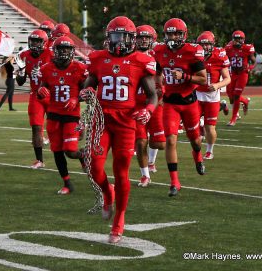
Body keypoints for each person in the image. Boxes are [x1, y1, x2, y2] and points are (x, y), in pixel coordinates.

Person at [80, 16, 157, 244]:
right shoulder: (97, 58)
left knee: (121, 170)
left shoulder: (142, 60)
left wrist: (149, 111)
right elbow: (88, 85)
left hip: (126, 122)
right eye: (116, 36)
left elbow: (152, 94)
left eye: (124, 37)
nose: (120, 41)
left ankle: (119, 221)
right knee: (93, 165)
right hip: (101, 118)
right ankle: (107, 192)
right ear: (108, 38)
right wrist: (85, 93)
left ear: (133, 39)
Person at [153, 18, 207, 197]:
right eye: (170, 33)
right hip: (170, 103)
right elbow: (158, 72)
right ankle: (174, 181)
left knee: (196, 141)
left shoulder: (193, 51)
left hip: (189, 102)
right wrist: (159, 86)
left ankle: (197, 155)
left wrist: (185, 76)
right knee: (170, 140)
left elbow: (203, 79)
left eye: (177, 33)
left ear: (184, 35)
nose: (173, 36)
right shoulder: (159, 50)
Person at [38, 36, 88, 194]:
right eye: (60, 49)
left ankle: (82, 155)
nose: (63, 52)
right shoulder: (46, 69)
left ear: (72, 51)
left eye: (66, 49)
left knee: (70, 151)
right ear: (55, 51)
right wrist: (40, 91)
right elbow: (42, 87)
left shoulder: (79, 68)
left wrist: (76, 98)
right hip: (53, 114)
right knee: (57, 151)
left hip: (71, 116)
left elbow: (88, 91)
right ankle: (67, 183)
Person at [16, 30, 53, 168]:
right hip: (36, 95)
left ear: (44, 43)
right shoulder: (24, 56)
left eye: (37, 41)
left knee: (55, 126)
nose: (34, 44)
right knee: (36, 128)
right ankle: (39, 160)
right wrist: (21, 70)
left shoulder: (51, 54)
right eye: (32, 41)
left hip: (51, 94)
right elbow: (20, 82)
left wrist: (44, 74)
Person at [134, 25, 165, 187]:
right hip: (137, 104)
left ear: (152, 39)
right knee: (140, 142)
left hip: (155, 104)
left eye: (147, 37)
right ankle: (145, 175)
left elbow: (161, 75)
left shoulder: (156, 55)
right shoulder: (130, 56)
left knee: (158, 143)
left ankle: (151, 161)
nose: (143, 40)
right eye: (140, 37)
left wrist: (161, 91)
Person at [196, 31, 231, 160]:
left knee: (210, 127)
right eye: (202, 45)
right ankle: (197, 149)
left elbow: (228, 79)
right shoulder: (194, 56)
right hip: (196, 94)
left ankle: (210, 150)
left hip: (212, 96)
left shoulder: (219, 55)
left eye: (207, 45)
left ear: (213, 45)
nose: (205, 47)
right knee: (193, 125)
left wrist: (217, 85)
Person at [224, 30, 255, 126]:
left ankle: (233, 118)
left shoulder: (247, 48)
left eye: (240, 39)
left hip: (242, 73)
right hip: (233, 73)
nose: (238, 41)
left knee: (236, 95)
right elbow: (224, 60)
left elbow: (253, 61)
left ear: (243, 40)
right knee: (230, 95)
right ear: (232, 39)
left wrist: (249, 68)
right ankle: (245, 101)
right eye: (236, 39)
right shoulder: (228, 48)